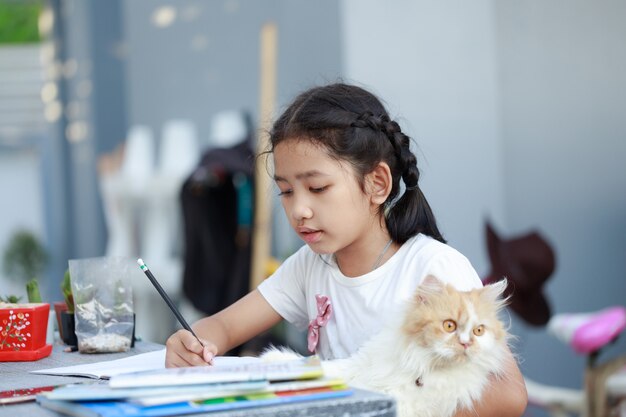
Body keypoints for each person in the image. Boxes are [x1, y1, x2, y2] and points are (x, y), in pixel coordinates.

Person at [165, 83, 528, 416]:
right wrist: (195, 342)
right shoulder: (310, 265)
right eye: (287, 192)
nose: (298, 210)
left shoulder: (433, 268)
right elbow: (224, 326)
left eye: (318, 188)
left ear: (377, 184)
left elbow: (508, 396)